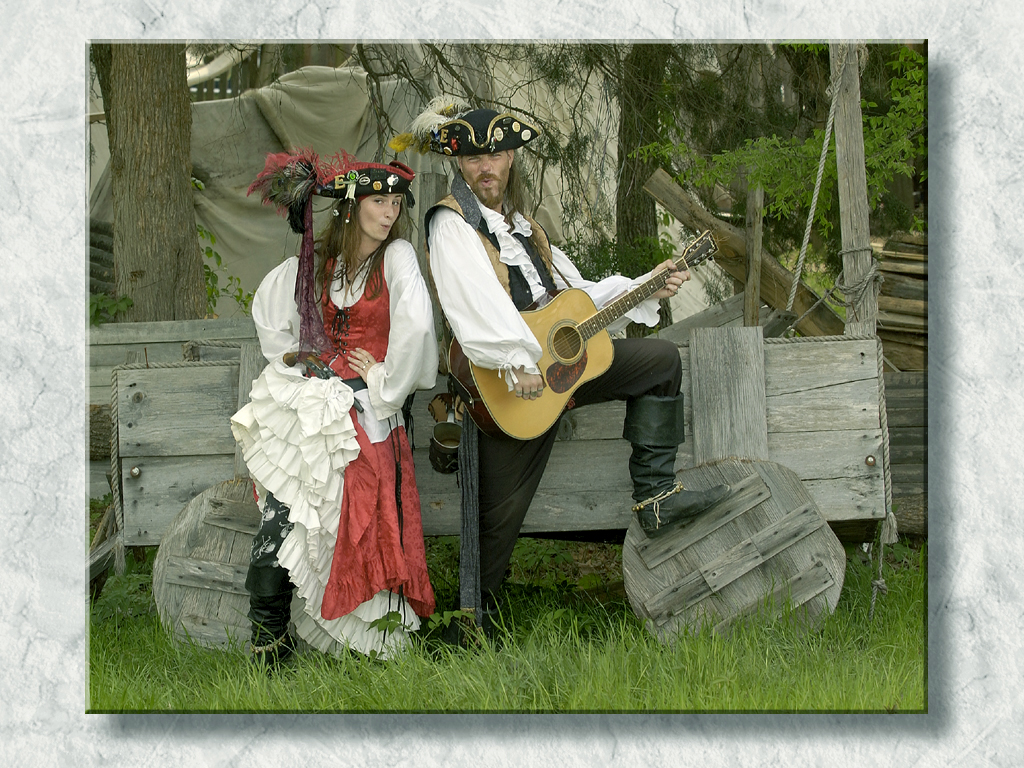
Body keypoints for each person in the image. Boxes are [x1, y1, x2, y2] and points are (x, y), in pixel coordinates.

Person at [392, 101, 728, 634]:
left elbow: (577, 299)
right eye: (476, 156)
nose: (487, 167)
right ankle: (470, 627)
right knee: (496, 530)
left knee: (660, 361)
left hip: (557, 372)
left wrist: (646, 285)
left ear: (511, 160)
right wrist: (516, 360)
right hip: (507, 385)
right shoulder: (450, 224)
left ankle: (656, 498)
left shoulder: (526, 229)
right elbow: (473, 302)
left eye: (497, 154)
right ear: (459, 163)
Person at [231, 149, 438, 666]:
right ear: (352, 205)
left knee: (332, 499)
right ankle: (269, 639)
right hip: (314, 403)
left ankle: (340, 636)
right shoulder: (322, 264)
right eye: (379, 201)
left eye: (396, 203)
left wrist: (382, 381)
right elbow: (276, 325)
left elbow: (415, 327)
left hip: (368, 411)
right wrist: (303, 358)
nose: (390, 213)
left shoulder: (397, 257)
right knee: (284, 509)